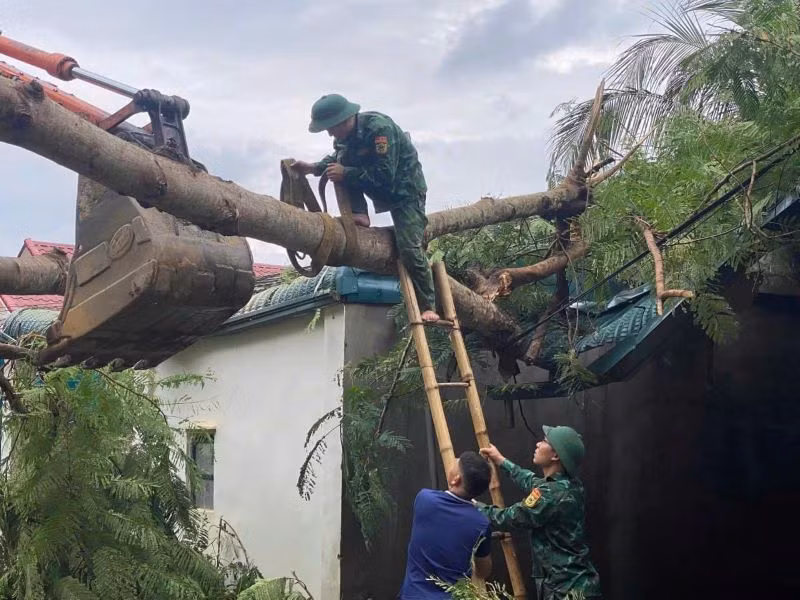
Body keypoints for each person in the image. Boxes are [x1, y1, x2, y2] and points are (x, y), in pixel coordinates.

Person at [292, 93, 440, 322]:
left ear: (344, 120)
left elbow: (384, 176)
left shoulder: (379, 130)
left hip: (404, 192)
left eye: (331, 128)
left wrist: (346, 173)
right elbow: (339, 158)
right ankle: (360, 215)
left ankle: (428, 305)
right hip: (376, 185)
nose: (330, 133)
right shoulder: (344, 138)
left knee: (409, 248)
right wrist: (314, 168)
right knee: (341, 170)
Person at [478, 426, 602, 600]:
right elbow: (532, 482)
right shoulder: (570, 485)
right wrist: (501, 460)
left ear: (556, 455)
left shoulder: (551, 495)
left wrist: (474, 507)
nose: (537, 444)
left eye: (544, 441)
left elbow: (511, 517)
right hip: (576, 583)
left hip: (566, 590)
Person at [399, 451, 493, 599]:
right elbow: (483, 570)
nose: (453, 461)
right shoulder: (481, 523)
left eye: (456, 463)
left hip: (413, 595)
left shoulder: (425, 499)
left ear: (456, 479)